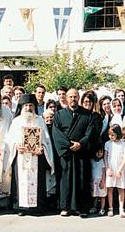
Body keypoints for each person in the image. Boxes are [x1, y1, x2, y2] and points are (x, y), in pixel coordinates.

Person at [5, 94, 55, 216]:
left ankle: (37, 207)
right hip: (21, 157)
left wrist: (42, 149)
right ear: (22, 107)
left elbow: (46, 140)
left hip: (37, 158)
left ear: (34, 107)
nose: (28, 108)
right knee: (20, 181)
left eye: (30, 105)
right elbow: (10, 140)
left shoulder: (40, 120)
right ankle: (21, 208)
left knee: (37, 182)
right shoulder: (16, 121)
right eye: (26, 105)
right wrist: (16, 146)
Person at [52, 88, 93, 217]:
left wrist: (80, 143)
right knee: (65, 180)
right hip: (66, 153)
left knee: (82, 179)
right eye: (70, 97)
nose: (73, 99)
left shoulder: (87, 114)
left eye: (75, 97)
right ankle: (65, 207)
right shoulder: (59, 114)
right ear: (66, 98)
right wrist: (69, 145)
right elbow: (56, 133)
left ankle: (82, 208)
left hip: (82, 153)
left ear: (78, 97)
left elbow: (90, 132)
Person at [104, 124, 125, 218]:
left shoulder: (123, 144)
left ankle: (121, 209)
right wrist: (107, 169)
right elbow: (105, 157)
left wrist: (120, 170)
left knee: (121, 189)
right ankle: (110, 208)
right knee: (110, 189)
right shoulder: (107, 144)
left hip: (120, 169)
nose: (111, 136)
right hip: (111, 169)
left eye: (113, 134)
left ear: (117, 134)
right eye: (109, 134)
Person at [90, 149, 107, 216]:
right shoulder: (92, 161)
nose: (99, 153)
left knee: (102, 195)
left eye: (101, 152)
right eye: (97, 152)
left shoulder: (103, 161)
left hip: (100, 180)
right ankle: (94, 207)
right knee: (95, 195)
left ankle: (102, 208)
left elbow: (103, 172)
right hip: (94, 180)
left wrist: (103, 181)